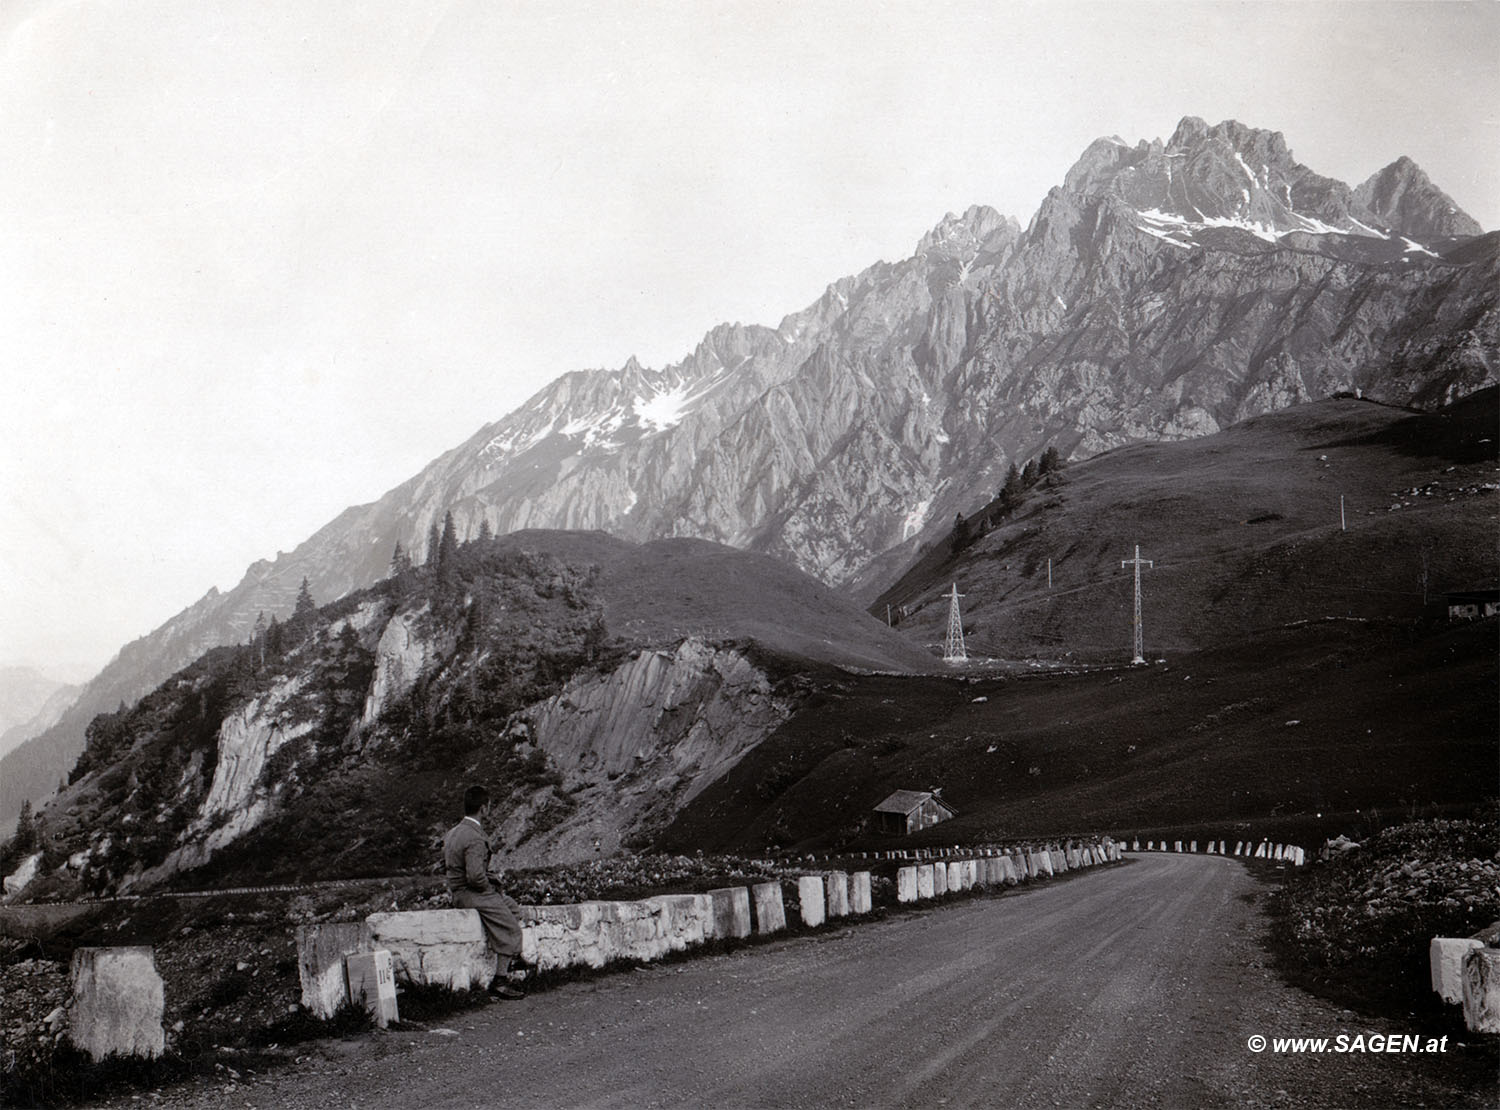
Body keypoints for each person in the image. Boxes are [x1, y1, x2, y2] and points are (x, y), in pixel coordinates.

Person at [443, 784, 526, 1000]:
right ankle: (500, 980)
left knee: (512, 908)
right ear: (484, 808)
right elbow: (475, 877)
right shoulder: (474, 837)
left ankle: (511, 957)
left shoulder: (454, 832)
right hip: (471, 893)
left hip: (459, 892)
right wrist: (490, 888)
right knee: (511, 929)